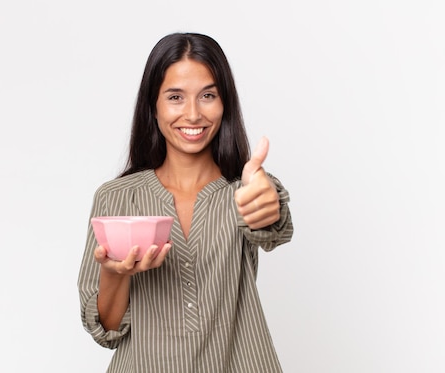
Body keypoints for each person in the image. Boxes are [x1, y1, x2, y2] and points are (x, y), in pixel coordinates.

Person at [78, 32, 294, 373]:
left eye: (208, 95)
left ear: (225, 104)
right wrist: (113, 273)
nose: (193, 114)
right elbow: (107, 329)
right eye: (175, 97)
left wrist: (266, 203)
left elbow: (271, 225)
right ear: (153, 105)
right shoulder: (116, 197)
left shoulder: (244, 190)